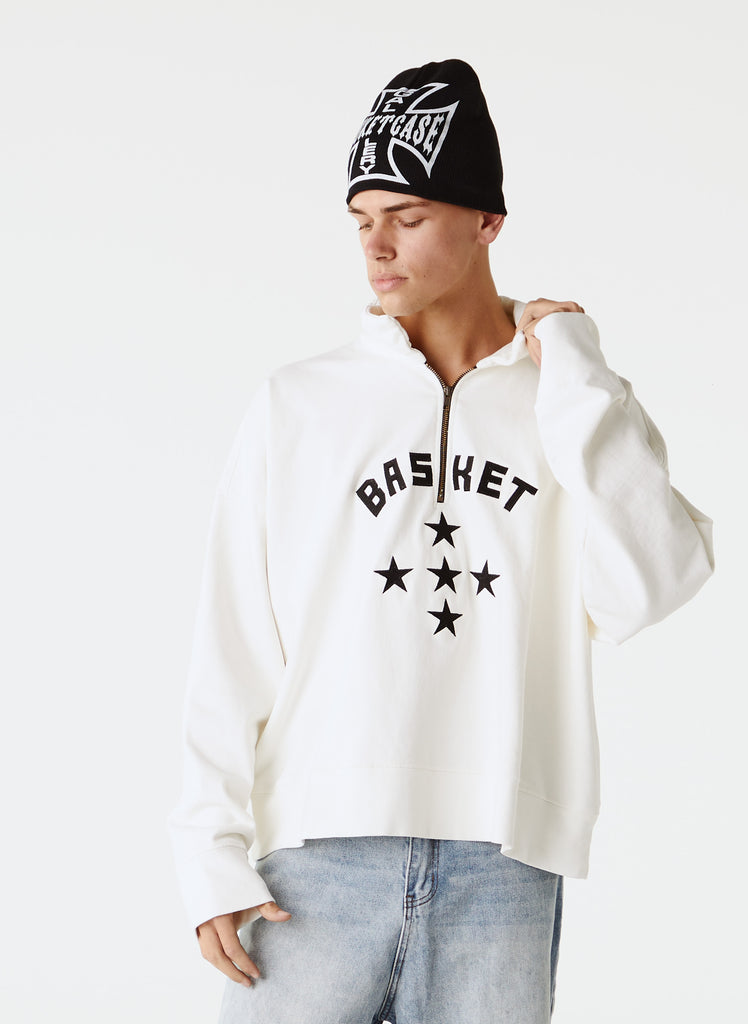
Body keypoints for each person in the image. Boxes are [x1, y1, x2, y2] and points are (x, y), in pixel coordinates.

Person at [169, 58, 714, 1023]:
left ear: (486, 221)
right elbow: (232, 639)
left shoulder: (568, 402)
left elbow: (651, 584)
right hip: (314, 860)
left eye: (408, 217)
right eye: (361, 220)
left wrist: (576, 369)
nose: (376, 247)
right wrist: (208, 849)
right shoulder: (301, 404)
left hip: (503, 861)